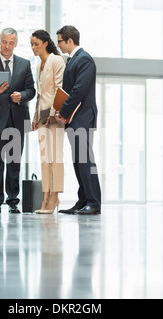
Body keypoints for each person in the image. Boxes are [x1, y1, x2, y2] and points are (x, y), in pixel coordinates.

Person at [0, 27, 36, 214]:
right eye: (4, 42)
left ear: (16, 43)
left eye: (11, 42)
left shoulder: (24, 64)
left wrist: (21, 95)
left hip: (17, 119)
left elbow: (32, 90)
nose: (7, 46)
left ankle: (13, 201)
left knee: (14, 161)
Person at [55, 25, 102, 215]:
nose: (58, 44)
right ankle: (83, 200)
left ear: (70, 41)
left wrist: (63, 112)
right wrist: (61, 111)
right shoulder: (72, 60)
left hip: (82, 116)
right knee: (78, 160)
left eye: (60, 41)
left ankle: (94, 202)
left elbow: (78, 91)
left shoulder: (84, 59)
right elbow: (68, 91)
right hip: (74, 118)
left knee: (85, 160)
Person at [30, 29, 66, 214]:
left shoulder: (56, 60)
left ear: (45, 43)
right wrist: (36, 118)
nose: (33, 47)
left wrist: (54, 113)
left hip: (55, 115)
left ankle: (55, 196)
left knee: (56, 158)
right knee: (45, 158)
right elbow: (40, 95)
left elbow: (60, 90)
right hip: (43, 115)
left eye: (36, 44)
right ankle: (45, 197)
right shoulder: (39, 66)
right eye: (32, 44)